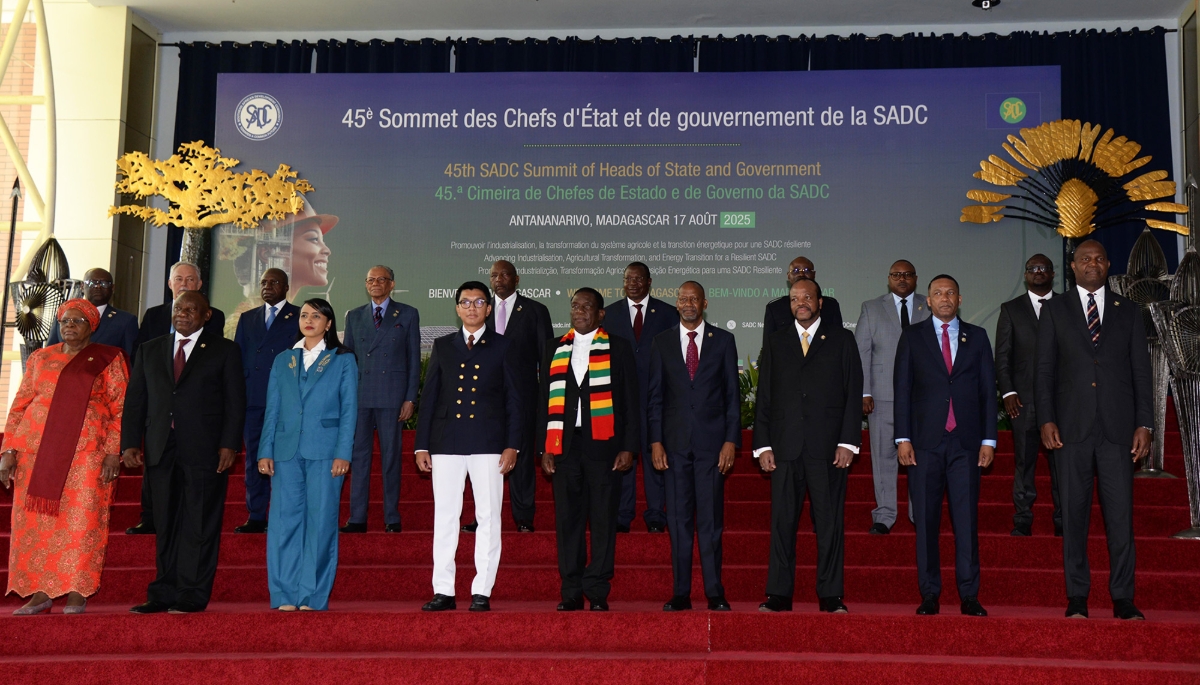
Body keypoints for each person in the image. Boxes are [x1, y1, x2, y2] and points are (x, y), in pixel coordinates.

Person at [1036, 239, 1151, 621]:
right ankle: (1077, 597)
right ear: (1072, 266)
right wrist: (1046, 419)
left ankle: (1123, 597)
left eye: (1099, 258)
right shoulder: (1055, 309)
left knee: (1120, 518)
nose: (1092, 264)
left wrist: (1145, 423)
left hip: (1118, 431)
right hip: (1070, 428)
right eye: (1084, 259)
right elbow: (1045, 371)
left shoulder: (1130, 311)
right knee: (1073, 516)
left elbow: (1141, 373)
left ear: (1108, 265)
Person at [0, 299, 128, 615]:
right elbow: (19, 406)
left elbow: (121, 408)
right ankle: (39, 592)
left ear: (91, 326)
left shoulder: (108, 359)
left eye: (78, 321)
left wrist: (113, 452)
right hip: (36, 453)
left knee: (81, 522)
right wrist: (8, 451)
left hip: (86, 454)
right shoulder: (41, 357)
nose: (70, 325)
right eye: (65, 320)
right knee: (38, 524)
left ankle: (76, 590)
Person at [122, 291, 246, 614]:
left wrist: (230, 444)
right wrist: (130, 443)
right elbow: (136, 400)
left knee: (199, 522)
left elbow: (235, 403)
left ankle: (192, 592)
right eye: (179, 308)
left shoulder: (225, 350)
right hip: (161, 448)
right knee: (164, 522)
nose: (183, 313)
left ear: (207, 316)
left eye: (192, 309)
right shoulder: (150, 350)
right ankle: (162, 591)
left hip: (205, 449)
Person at [753, 279, 863, 614]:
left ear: (819, 302)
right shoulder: (775, 342)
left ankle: (831, 596)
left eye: (807, 298)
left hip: (828, 449)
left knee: (829, 524)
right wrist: (762, 445)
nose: (801, 303)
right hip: (785, 447)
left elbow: (852, 393)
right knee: (782, 523)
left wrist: (848, 442)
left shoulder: (842, 339)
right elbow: (765, 397)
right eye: (794, 298)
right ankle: (779, 595)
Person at [415, 282, 522, 612]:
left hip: (489, 442)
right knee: (445, 516)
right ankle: (443, 590)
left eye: (479, 302)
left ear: (489, 309)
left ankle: (482, 589)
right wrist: (422, 446)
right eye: (465, 302)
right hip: (447, 441)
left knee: (488, 516)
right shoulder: (444, 345)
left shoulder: (504, 346)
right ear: (457, 308)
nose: (472, 307)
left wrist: (513, 445)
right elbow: (430, 397)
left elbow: (515, 401)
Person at [894, 275, 995, 618]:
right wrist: (902, 438)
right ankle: (930, 594)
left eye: (950, 292)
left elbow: (986, 392)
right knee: (926, 522)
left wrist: (989, 439)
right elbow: (903, 390)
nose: (944, 298)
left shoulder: (978, 337)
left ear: (960, 298)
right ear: (928, 300)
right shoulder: (912, 337)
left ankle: (969, 594)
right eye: (938, 293)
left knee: (965, 521)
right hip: (924, 443)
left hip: (966, 444)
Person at [540, 288, 639, 611]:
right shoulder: (554, 347)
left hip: (604, 447)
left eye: (587, 306)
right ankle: (570, 589)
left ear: (600, 314)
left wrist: (628, 447)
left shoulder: (618, 348)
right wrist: (545, 448)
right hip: (564, 447)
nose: (579, 310)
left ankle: (596, 589)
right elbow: (543, 404)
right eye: (575, 305)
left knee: (602, 520)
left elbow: (630, 403)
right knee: (568, 521)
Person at [257, 298, 357, 612]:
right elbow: (272, 408)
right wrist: (265, 450)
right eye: (304, 315)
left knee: (321, 522)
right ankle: (285, 594)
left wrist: (343, 453)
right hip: (285, 451)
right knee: (284, 524)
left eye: (317, 315)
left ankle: (311, 597)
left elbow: (349, 411)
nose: (309, 320)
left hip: (326, 451)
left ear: (329, 323)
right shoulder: (284, 359)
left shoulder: (343, 360)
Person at [647, 281, 740, 612]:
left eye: (694, 299)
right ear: (676, 303)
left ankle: (715, 591)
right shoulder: (661, 342)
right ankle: (681, 592)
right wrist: (655, 442)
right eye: (683, 298)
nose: (688, 303)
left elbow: (732, 397)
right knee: (679, 521)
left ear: (705, 303)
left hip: (713, 448)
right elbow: (655, 398)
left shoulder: (723, 341)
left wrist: (731, 441)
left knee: (710, 522)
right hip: (673, 448)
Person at [126, 260, 227, 536]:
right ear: (170, 284)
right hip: (158, 400)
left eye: (190, 279)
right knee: (155, 464)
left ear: (200, 285)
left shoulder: (213, 315)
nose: (184, 284)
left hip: (194, 408)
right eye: (179, 279)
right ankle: (150, 516)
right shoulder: (154, 315)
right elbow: (140, 357)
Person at [341, 265, 420, 533]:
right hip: (361, 396)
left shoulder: (407, 314)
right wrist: (345, 398)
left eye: (381, 279)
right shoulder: (354, 316)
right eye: (371, 280)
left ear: (392, 284)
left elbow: (413, 359)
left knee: (391, 459)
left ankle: (392, 517)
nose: (375, 284)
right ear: (366, 285)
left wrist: (410, 398)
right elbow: (347, 361)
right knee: (359, 458)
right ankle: (357, 518)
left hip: (392, 396)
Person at [854, 260, 929, 534]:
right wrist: (865, 391)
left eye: (907, 274)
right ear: (889, 279)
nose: (902, 279)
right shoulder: (871, 308)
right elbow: (861, 353)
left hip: (922, 399)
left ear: (916, 278)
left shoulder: (929, 305)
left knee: (920, 458)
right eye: (897, 275)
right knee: (883, 458)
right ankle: (884, 515)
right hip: (882, 398)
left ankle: (918, 512)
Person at [603, 262, 675, 534]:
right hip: (619, 402)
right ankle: (623, 514)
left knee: (655, 456)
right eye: (627, 278)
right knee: (624, 458)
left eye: (638, 278)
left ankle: (656, 514)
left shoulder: (668, 314)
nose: (632, 283)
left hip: (657, 399)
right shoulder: (608, 314)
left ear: (649, 281)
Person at [481, 259, 553, 533]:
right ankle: (484, 517)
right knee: (484, 458)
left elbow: (545, 361)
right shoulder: (480, 309)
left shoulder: (535, 311)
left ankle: (523, 516)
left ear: (516, 279)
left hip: (522, 397)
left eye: (505, 275)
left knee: (520, 455)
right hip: (485, 396)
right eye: (494, 275)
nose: (499, 279)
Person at [996, 254, 1062, 537]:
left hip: (1061, 400)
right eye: (1032, 269)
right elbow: (1003, 355)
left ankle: (1063, 518)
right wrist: (1008, 390)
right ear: (1026, 275)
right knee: (1024, 460)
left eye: (1043, 268)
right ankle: (1023, 518)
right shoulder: (1011, 309)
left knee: (1062, 462)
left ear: (1052, 273)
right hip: (1022, 400)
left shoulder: (1066, 305)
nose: (1038, 272)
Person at [232, 268, 301, 534]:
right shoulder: (248, 318)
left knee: (284, 458)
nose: (267, 286)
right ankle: (257, 514)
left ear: (286, 287)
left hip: (286, 400)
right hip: (252, 398)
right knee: (254, 459)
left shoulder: (299, 316)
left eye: (274, 282)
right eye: (263, 282)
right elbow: (238, 359)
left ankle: (285, 513)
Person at [46, 268, 138, 358]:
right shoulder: (64, 315)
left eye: (104, 283)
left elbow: (128, 359)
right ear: (82, 286)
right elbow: (49, 351)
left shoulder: (125, 321)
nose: (98, 286)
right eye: (92, 283)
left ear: (112, 288)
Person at [762, 255, 844, 352]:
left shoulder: (830, 305)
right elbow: (768, 349)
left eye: (806, 270)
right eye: (796, 270)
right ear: (788, 276)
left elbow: (839, 342)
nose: (801, 274)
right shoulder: (775, 308)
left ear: (814, 274)